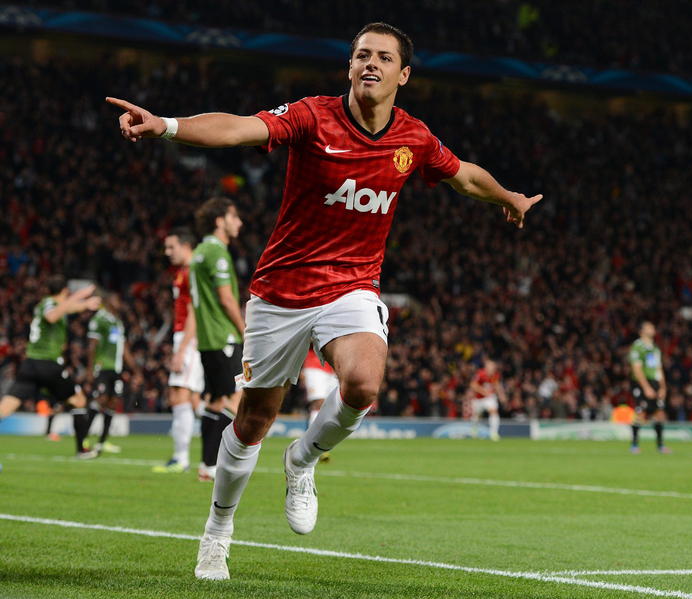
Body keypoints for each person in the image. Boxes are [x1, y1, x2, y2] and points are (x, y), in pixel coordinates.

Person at [107, 21, 541, 580]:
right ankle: (217, 532)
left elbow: (464, 177)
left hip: (352, 286)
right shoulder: (313, 116)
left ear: (404, 75)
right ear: (349, 65)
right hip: (281, 291)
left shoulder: (413, 138)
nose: (371, 64)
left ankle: (302, 459)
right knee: (252, 421)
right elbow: (238, 128)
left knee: (363, 383)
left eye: (384, 57)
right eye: (362, 55)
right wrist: (166, 125)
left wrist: (509, 197)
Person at [0, 275, 101, 458]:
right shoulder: (49, 303)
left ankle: (82, 449)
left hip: (30, 365)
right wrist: (78, 296)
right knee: (79, 401)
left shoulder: (51, 304)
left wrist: (85, 305)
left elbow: (66, 309)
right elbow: (53, 315)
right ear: (65, 291)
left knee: (5, 408)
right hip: (47, 364)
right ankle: (82, 450)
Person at [189, 198, 245, 482]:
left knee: (215, 400)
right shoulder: (216, 252)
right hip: (224, 336)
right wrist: (244, 330)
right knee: (237, 397)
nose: (239, 223)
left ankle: (206, 464)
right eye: (234, 217)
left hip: (208, 338)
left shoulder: (199, 251)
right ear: (219, 221)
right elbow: (226, 298)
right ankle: (214, 464)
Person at [153, 228, 205, 474]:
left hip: (189, 338)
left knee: (179, 395)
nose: (167, 252)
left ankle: (181, 458)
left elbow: (195, 310)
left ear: (186, 246)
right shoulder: (183, 272)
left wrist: (182, 349)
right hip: (186, 336)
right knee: (193, 399)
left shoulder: (192, 270)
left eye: (171, 247)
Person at [85, 291, 135, 454]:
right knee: (100, 399)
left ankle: (102, 442)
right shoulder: (99, 319)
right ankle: (84, 437)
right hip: (102, 367)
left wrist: (135, 370)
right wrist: (90, 369)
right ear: (108, 301)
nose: (119, 302)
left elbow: (124, 348)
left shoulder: (117, 322)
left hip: (116, 368)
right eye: (116, 298)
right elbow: (92, 345)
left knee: (112, 403)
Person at [628, 321, 670, 454]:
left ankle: (660, 445)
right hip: (641, 383)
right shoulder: (637, 346)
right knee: (640, 412)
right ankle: (634, 445)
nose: (653, 329)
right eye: (649, 327)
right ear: (641, 331)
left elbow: (658, 368)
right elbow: (636, 369)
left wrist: (663, 387)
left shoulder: (655, 348)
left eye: (653, 327)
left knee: (659, 413)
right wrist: (646, 387)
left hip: (655, 382)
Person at [300, 348, 339, 462]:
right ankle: (315, 446)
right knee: (318, 404)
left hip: (333, 368)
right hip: (314, 365)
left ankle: (321, 444)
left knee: (331, 407)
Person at [467, 359, 505, 441]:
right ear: (486, 367)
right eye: (491, 366)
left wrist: (501, 395)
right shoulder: (480, 374)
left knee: (494, 412)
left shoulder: (495, 375)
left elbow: (496, 385)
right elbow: (472, 384)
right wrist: (483, 391)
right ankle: (474, 429)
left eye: (493, 366)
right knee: (475, 416)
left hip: (489, 398)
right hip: (478, 399)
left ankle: (494, 433)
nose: (493, 368)